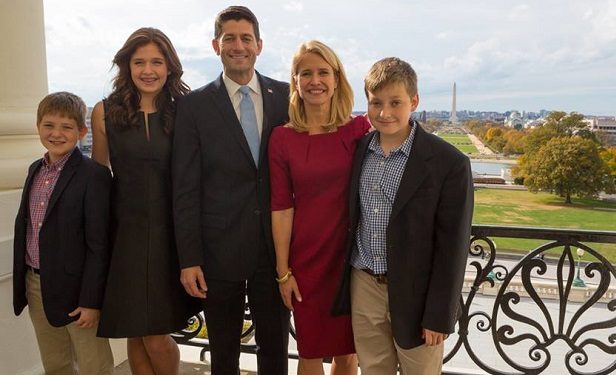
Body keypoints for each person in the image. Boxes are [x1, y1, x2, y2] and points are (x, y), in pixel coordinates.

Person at [333, 57, 474, 374]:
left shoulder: (448, 163)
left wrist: (440, 315)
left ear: (414, 101)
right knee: (373, 370)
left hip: (418, 294)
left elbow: (453, 247)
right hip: (364, 284)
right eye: (376, 103)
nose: (385, 113)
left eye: (395, 102)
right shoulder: (358, 151)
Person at [172, 6, 290, 375]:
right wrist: (189, 258)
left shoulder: (286, 96)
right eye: (229, 39)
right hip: (217, 253)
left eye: (245, 38)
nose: (238, 46)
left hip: (275, 252)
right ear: (215, 45)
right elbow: (185, 187)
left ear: (259, 45)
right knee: (223, 353)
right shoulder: (193, 107)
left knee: (275, 350)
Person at [92, 28, 197, 375]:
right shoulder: (104, 112)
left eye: (156, 61)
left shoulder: (188, 110)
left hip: (172, 237)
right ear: (127, 66)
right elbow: (98, 178)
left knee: (154, 335)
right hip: (124, 238)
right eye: (139, 62)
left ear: (169, 67)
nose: (148, 70)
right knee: (135, 333)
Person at [269, 40, 370, 374]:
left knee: (347, 352)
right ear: (295, 82)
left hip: (351, 260)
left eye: (323, 72)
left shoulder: (359, 130)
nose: (315, 80)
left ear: (337, 78)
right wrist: (283, 272)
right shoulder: (282, 138)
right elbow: (281, 207)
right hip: (307, 263)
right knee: (309, 350)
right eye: (306, 73)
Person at [13, 91, 114, 374]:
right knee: (55, 363)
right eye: (49, 125)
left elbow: (99, 244)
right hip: (36, 285)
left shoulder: (93, 175)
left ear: (81, 131)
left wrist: (91, 301)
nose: (57, 133)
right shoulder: (34, 170)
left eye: (67, 127)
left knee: (95, 365)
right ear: (38, 127)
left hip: (78, 290)